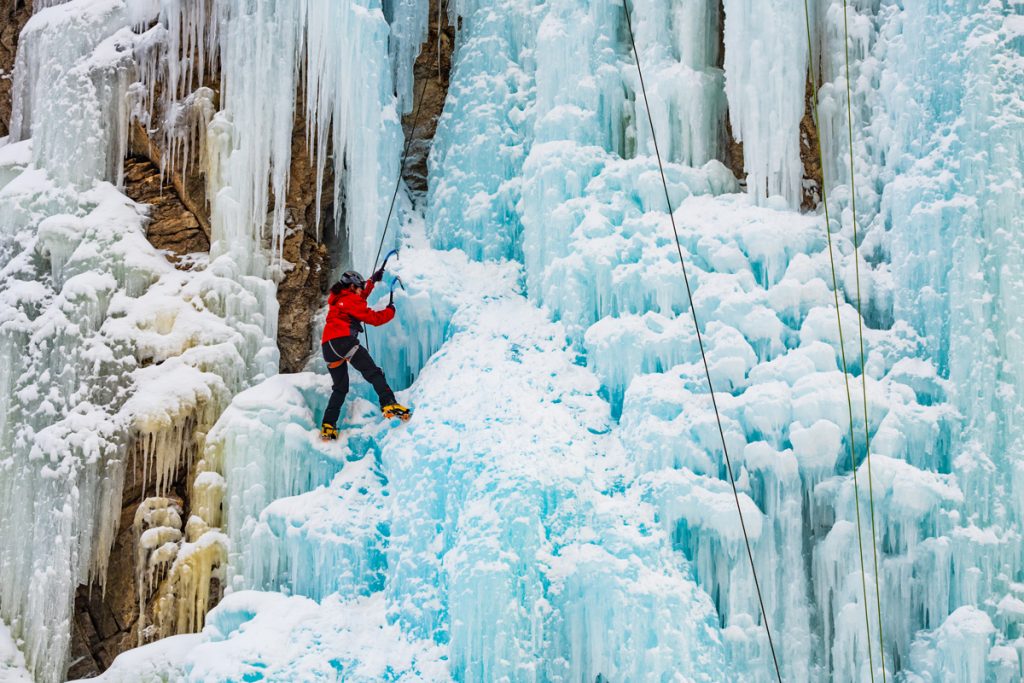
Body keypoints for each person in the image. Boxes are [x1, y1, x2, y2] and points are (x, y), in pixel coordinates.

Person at [319, 267, 410, 441]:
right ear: (352, 287)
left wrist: (371, 281)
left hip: (328, 347)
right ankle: (389, 403)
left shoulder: (339, 299)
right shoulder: (351, 300)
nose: (361, 290)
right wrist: (390, 310)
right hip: (343, 341)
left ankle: (328, 424)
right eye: (359, 287)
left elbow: (359, 298)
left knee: (340, 388)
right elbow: (374, 319)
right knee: (373, 372)